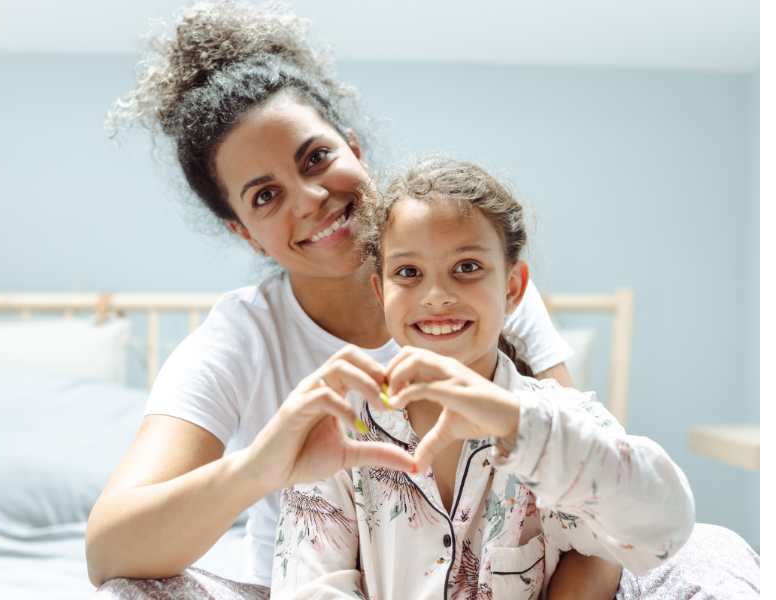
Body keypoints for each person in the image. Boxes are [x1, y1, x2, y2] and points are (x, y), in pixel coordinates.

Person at [89, 3, 760, 599]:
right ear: (243, 230)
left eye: (316, 158)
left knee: (713, 547)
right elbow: (112, 549)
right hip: (313, 580)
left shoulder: (489, 314)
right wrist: (263, 466)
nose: (311, 199)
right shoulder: (254, 348)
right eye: (265, 195)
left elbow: (596, 510)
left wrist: (513, 423)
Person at [269, 157, 696, 599]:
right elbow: (307, 586)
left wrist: (513, 423)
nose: (436, 297)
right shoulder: (341, 429)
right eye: (408, 273)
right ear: (381, 291)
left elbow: (666, 529)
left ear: (512, 288)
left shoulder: (562, 420)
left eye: (467, 267)